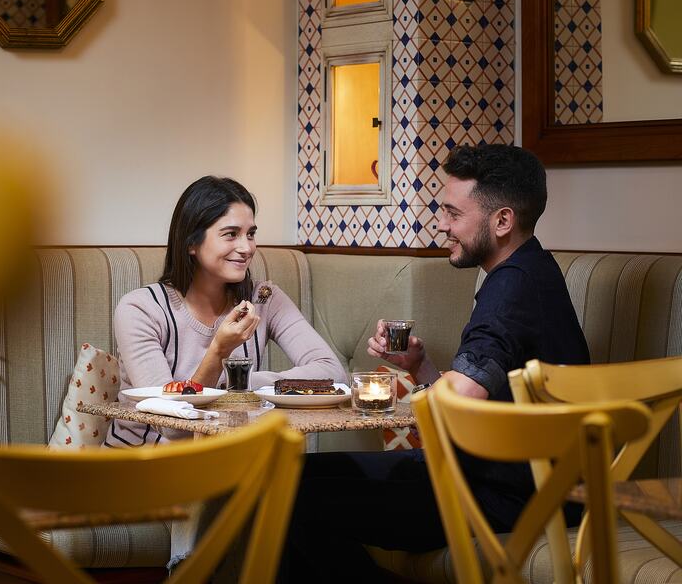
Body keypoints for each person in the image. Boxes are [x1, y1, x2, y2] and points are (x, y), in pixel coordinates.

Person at [280, 144, 590, 582]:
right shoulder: (535, 269)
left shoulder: (511, 287)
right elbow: (480, 390)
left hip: (503, 495)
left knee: (288, 488)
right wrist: (421, 368)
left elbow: (459, 399)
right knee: (296, 480)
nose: (441, 224)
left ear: (502, 221)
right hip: (530, 486)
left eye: (453, 213)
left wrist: (428, 389)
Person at [104, 175, 345, 448]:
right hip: (142, 470)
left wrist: (243, 385)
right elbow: (171, 425)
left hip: (227, 467)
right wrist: (219, 352)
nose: (246, 248)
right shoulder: (141, 309)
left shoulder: (264, 299)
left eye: (251, 234)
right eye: (231, 234)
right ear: (191, 243)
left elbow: (333, 374)